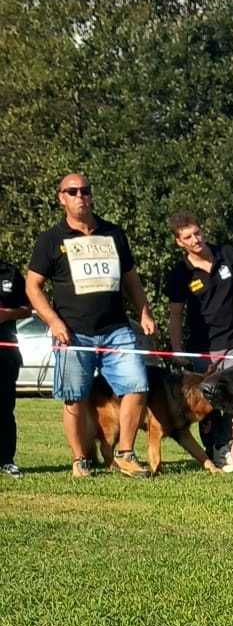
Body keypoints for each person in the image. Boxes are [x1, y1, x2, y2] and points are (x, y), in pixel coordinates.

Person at [26, 174, 155, 478]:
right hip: (73, 333)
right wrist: (55, 322)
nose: (80, 196)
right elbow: (33, 287)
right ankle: (80, 459)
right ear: (62, 198)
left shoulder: (113, 234)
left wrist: (145, 313)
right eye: (73, 192)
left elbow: (131, 281)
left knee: (137, 385)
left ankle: (125, 454)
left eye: (85, 190)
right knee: (75, 397)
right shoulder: (50, 239)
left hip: (117, 329)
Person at [166, 214, 233, 471]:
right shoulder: (179, 274)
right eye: (188, 237)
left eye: (197, 233)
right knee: (207, 404)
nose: (195, 240)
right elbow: (175, 314)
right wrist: (177, 350)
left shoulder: (228, 254)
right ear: (179, 242)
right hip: (201, 349)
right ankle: (216, 450)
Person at [0, 257, 29, 476]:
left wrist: (6, 315)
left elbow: (27, 308)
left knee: (4, 409)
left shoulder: (10, 272)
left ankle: (6, 459)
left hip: (5, 353)